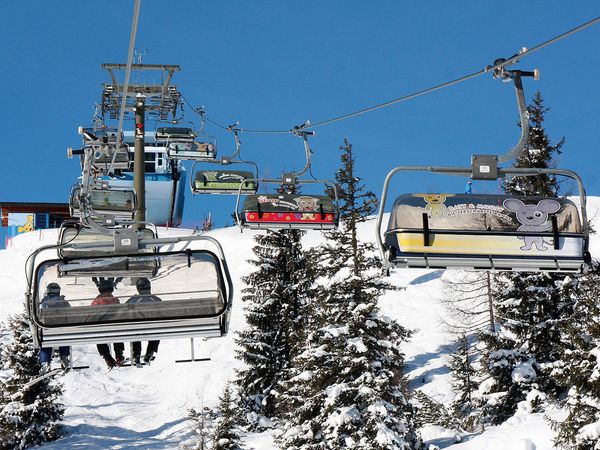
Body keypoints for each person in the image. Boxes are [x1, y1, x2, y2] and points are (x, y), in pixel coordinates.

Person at [126, 278, 161, 367]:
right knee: (157, 332)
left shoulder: (134, 300)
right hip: (153, 328)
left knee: (135, 332)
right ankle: (150, 352)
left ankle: (136, 354)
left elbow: (124, 309)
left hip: (137, 328)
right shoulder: (156, 299)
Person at [91, 279, 125, 368]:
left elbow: (92, 315)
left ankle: (107, 356)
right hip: (114, 326)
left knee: (98, 337)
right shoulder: (115, 300)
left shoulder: (96, 302)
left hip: (100, 327)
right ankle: (119, 353)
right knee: (117, 333)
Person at [39, 283, 71, 371]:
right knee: (64, 338)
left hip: (47, 330)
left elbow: (39, 315)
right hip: (61, 330)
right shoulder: (63, 302)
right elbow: (70, 313)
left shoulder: (43, 303)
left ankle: (45, 361)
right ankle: (64, 356)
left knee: (45, 341)